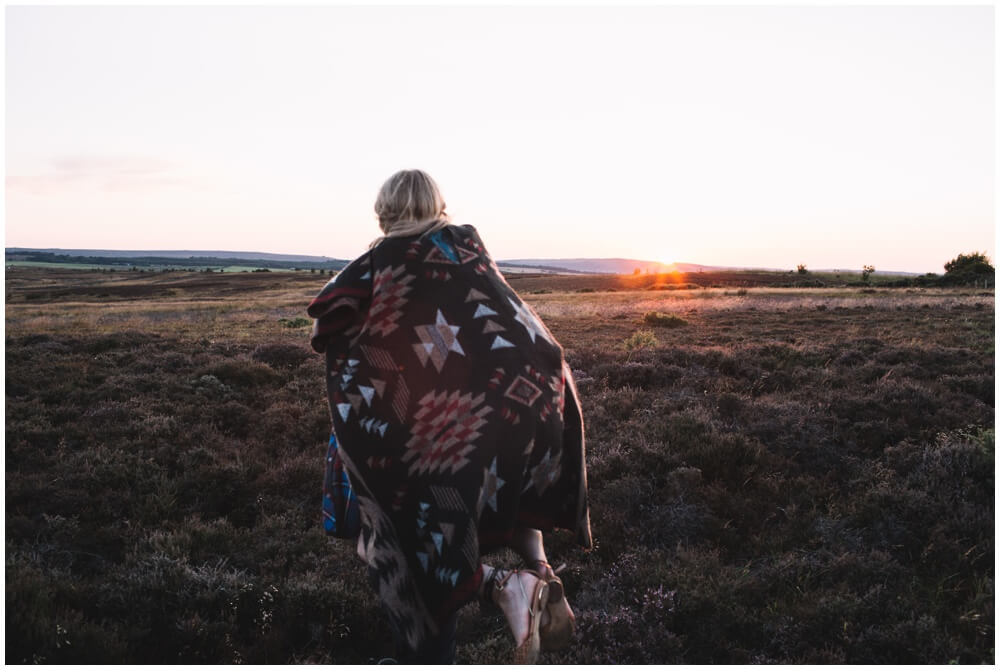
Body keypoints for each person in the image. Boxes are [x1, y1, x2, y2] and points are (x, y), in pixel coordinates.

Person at [308, 169, 592, 663]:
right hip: (523, 410)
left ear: (383, 213)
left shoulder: (378, 264)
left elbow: (327, 318)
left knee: (394, 532)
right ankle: (541, 571)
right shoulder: (471, 256)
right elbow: (511, 329)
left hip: (439, 429)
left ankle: (498, 589)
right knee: (507, 465)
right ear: (440, 208)